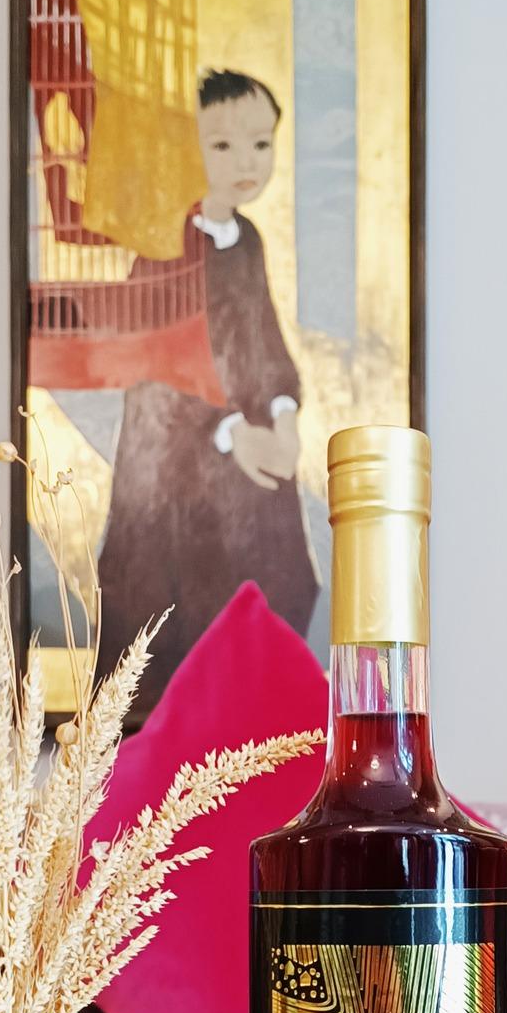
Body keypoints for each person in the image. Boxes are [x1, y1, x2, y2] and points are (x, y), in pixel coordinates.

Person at [94, 68, 319, 722]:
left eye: (260, 144)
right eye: (221, 145)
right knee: (177, 613)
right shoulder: (164, 246)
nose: (246, 163)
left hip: (246, 458)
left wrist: (283, 416)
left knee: (283, 580)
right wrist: (229, 431)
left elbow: (265, 343)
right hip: (178, 467)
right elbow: (156, 366)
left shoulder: (246, 241)